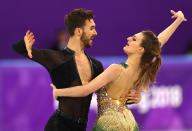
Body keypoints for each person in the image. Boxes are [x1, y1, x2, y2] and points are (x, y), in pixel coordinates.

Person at [51, 10, 187, 131]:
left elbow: (85, 90)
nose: (128, 39)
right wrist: (178, 20)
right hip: (127, 121)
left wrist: (58, 92)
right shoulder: (141, 68)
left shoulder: (116, 69)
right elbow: (158, 42)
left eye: (134, 39)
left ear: (140, 50)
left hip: (111, 124)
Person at [12, 8, 141, 131]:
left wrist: (133, 98)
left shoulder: (96, 65)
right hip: (58, 126)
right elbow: (18, 48)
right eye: (92, 28)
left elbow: (108, 96)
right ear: (78, 31)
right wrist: (25, 46)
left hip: (81, 128)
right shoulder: (56, 58)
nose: (95, 33)